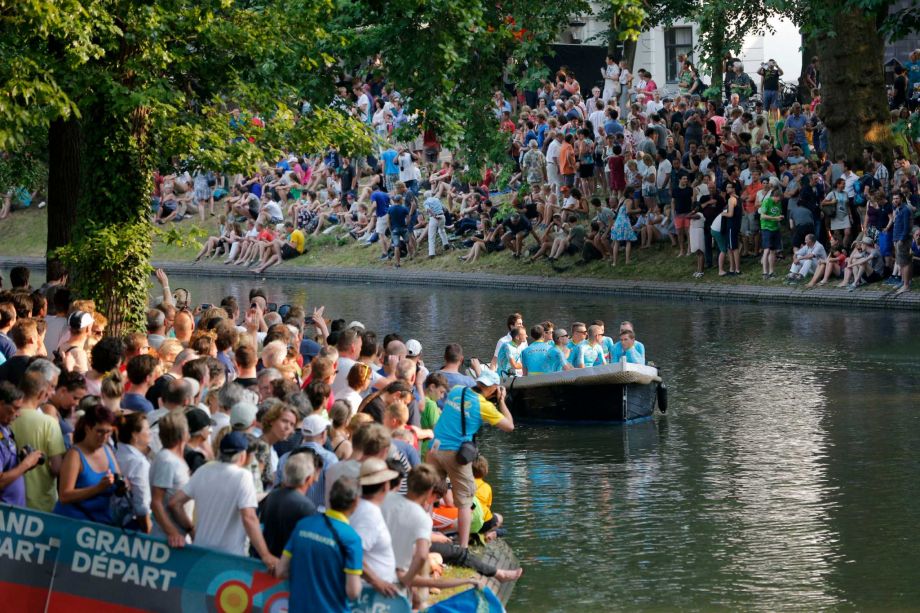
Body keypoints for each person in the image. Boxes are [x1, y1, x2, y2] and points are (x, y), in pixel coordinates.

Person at [426, 369, 513, 551]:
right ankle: (463, 548)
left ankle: (425, 537)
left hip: (434, 447)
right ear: (494, 388)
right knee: (465, 501)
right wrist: (502, 401)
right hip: (455, 453)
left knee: (430, 494)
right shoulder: (484, 406)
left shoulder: (457, 389)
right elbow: (509, 426)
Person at [167, 431, 279, 571]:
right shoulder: (243, 476)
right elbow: (249, 517)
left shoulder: (203, 470)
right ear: (243, 455)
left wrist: (190, 529)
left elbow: (174, 503)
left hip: (199, 553)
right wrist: (265, 555)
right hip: (228, 559)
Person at [275, 476, 364, 613]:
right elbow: (353, 592)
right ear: (356, 502)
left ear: (330, 497)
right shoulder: (352, 539)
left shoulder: (303, 525)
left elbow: (280, 571)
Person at [53, 402, 122, 524]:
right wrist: (97, 488)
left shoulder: (108, 450)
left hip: (100, 524)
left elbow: (118, 479)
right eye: (99, 431)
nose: (104, 437)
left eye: (108, 432)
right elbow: (64, 496)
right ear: (87, 428)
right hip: (72, 523)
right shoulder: (75, 455)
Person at [11, 370, 65, 511]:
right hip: (42, 505)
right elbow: (57, 467)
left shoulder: (7, 416)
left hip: (9, 501)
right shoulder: (49, 423)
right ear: (41, 394)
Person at [351, 458, 401, 596]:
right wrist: (376, 581)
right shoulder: (368, 514)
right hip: (370, 593)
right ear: (385, 486)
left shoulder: (365, 508)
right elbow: (352, 552)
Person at [259, 450, 317, 557]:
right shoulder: (306, 507)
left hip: (265, 562)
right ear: (308, 479)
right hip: (288, 566)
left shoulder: (272, 496)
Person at [150, 411, 192, 542]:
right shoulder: (166, 461)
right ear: (184, 434)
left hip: (179, 538)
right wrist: (173, 533)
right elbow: (156, 502)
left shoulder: (175, 459)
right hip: (166, 540)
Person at [0, 382, 44, 506]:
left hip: (13, 512)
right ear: (1, 404)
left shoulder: (5, 429)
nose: (18, 414)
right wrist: (26, 464)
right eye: (15, 408)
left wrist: (22, 462)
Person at [114, 412, 153, 532]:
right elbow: (142, 505)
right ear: (135, 435)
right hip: (133, 526)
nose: (150, 432)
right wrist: (148, 531)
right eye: (147, 429)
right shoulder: (139, 463)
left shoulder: (114, 454)